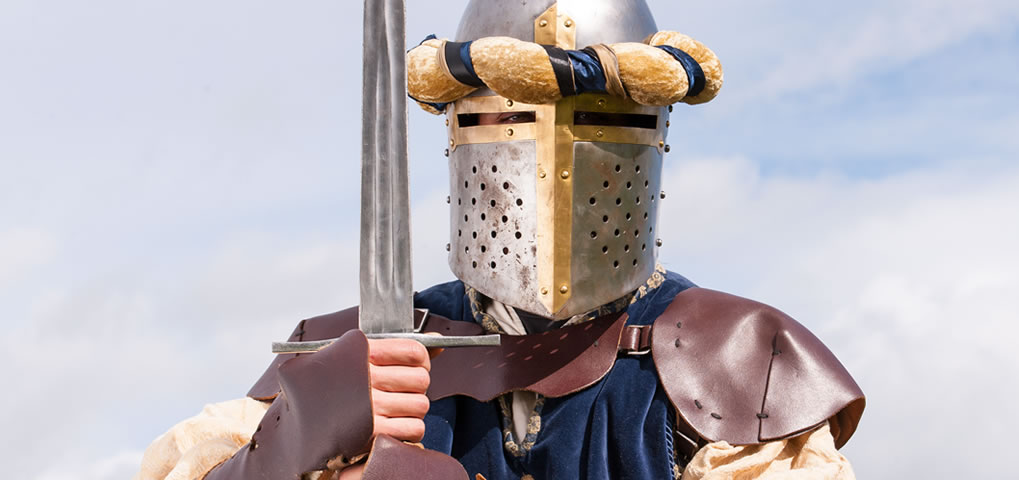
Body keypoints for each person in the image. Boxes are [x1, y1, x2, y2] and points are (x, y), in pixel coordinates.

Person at [136, 1, 865, 479]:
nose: (553, 166)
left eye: (608, 122)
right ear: (460, 136)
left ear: (654, 137)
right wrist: (300, 434)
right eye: (507, 122)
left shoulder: (738, 360)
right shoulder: (371, 350)